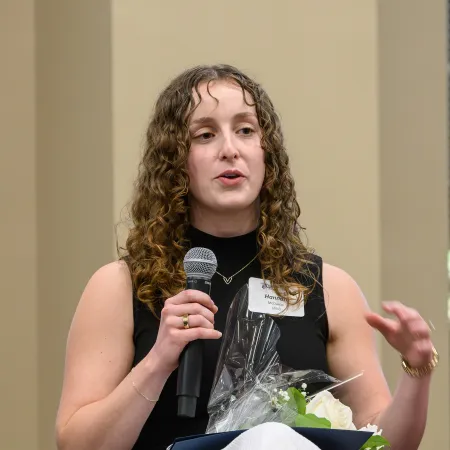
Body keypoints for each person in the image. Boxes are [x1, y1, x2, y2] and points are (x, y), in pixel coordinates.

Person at [55, 64, 438, 450]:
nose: (230, 149)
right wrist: (157, 362)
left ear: (265, 151)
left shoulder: (330, 288)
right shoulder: (121, 287)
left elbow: (385, 444)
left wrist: (417, 370)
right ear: (175, 160)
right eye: (205, 135)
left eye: (245, 130)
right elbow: (77, 444)